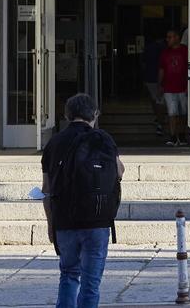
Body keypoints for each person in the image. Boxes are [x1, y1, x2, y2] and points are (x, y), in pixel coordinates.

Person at [42, 93, 124, 308]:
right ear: (94, 114)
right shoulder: (103, 139)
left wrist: (51, 224)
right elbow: (119, 171)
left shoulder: (54, 143)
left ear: (67, 115)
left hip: (64, 219)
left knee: (68, 274)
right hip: (97, 220)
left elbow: (46, 189)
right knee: (91, 282)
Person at [158, 29, 189, 147]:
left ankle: (181, 135)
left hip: (182, 87)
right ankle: (172, 136)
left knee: (183, 113)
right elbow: (161, 69)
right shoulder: (165, 53)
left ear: (177, 38)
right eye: (167, 37)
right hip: (169, 88)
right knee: (172, 113)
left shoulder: (185, 51)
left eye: (170, 37)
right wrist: (160, 84)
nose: (167, 39)